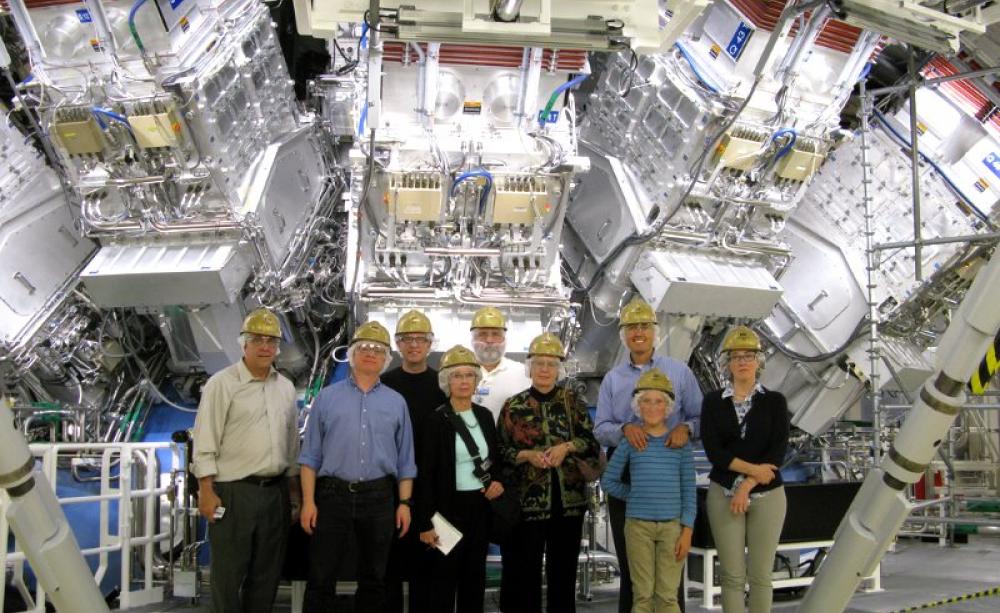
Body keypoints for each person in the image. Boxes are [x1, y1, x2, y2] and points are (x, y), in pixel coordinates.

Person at [594, 296, 703, 613]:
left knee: (670, 580)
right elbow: (601, 427)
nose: (638, 332)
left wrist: (686, 429)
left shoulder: (680, 372)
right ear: (623, 335)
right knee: (633, 569)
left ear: (655, 331)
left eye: (644, 326)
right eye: (632, 327)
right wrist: (625, 430)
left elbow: (701, 418)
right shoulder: (613, 379)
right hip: (628, 467)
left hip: (670, 468)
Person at [298, 321, 417, 613]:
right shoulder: (326, 398)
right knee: (321, 576)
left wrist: (404, 504)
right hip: (332, 496)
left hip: (379, 498)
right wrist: (308, 502)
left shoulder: (397, 403)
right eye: (364, 347)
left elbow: (405, 460)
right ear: (352, 354)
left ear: (386, 359)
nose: (370, 353)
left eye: (378, 349)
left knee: (374, 578)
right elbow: (310, 456)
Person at [192, 307, 301, 613]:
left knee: (267, 574)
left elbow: (291, 443)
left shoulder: (285, 388)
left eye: (271, 341)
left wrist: (294, 493)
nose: (265, 347)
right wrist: (206, 490)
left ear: (278, 347)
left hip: (275, 493)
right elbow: (205, 439)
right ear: (244, 344)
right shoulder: (222, 384)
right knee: (228, 574)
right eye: (257, 340)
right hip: (233, 492)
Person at [497, 332, 601, 613]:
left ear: (559, 369)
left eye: (551, 364)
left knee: (563, 575)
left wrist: (567, 447)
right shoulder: (513, 406)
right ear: (529, 367)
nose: (545, 369)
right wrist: (526, 455)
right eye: (539, 363)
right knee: (525, 574)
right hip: (527, 504)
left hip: (569, 503)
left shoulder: (573, 402)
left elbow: (591, 442)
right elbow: (501, 451)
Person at [701, 326, 789, 613]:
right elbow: (715, 452)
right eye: (736, 357)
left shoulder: (775, 402)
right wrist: (752, 473)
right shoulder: (712, 402)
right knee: (732, 576)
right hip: (723, 492)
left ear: (758, 361)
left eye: (748, 356)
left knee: (761, 575)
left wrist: (748, 485)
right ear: (727, 363)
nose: (742, 362)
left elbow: (777, 451)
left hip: (767, 494)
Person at [414, 345, 506, 612]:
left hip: (480, 507)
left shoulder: (485, 416)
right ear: (447, 381)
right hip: (446, 511)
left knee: (474, 578)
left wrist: (497, 481)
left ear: (476, 381)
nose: (464, 381)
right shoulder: (434, 421)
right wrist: (425, 522)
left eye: (469, 375)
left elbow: (496, 459)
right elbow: (425, 475)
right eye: (457, 375)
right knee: (443, 580)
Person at [601, 369, 696, 613]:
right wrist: (635, 495)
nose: (652, 407)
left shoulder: (681, 445)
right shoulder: (630, 442)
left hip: (672, 529)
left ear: (668, 407)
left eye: (659, 401)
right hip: (638, 528)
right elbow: (608, 481)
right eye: (646, 401)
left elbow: (689, 490)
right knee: (642, 596)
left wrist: (687, 531)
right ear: (637, 406)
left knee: (668, 597)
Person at [381, 310, 447, 613]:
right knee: (390, 565)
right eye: (407, 339)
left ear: (431, 344)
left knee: (428, 564)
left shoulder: (442, 385)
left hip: (431, 487)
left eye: (421, 339)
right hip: (391, 486)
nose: (414, 345)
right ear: (397, 344)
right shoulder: (384, 384)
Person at [469, 306, 531, 421]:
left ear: (505, 339)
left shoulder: (524, 373)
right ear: (472, 339)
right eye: (482, 334)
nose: (489, 340)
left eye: (496, 334)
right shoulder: (459, 372)